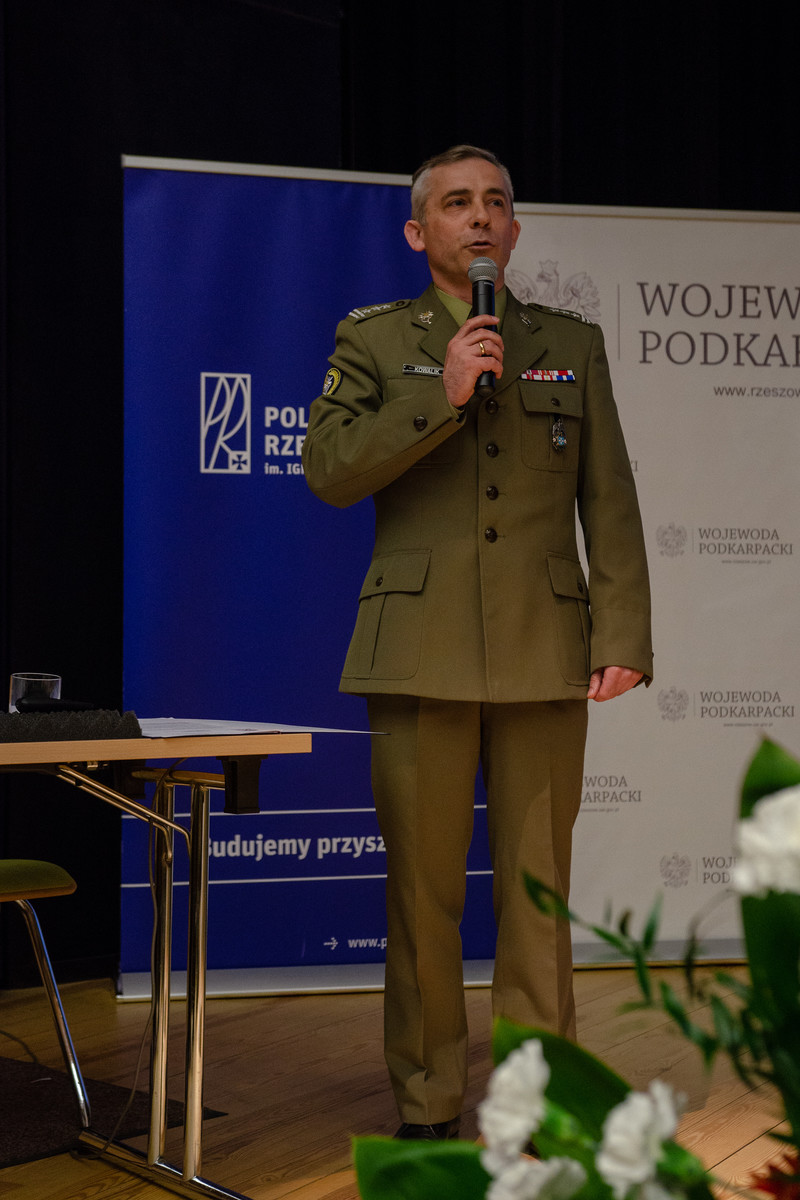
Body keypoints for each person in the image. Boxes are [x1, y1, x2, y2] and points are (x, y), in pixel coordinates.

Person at [301, 145, 652, 1141]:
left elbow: (609, 498)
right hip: (419, 650)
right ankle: (427, 1103)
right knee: (423, 898)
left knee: (538, 896)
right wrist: (439, 393)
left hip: (545, 649)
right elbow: (328, 469)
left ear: (515, 227)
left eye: (496, 201)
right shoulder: (375, 338)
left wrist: (622, 629)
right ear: (421, 232)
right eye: (458, 203)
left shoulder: (569, 342)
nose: (481, 216)